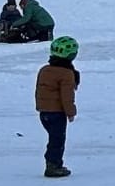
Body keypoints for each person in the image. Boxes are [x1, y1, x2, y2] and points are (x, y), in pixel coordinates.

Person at [34, 36, 80, 178]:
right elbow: (67, 96)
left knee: (54, 138)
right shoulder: (67, 73)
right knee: (57, 140)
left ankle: (54, 163)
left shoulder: (44, 70)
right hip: (57, 113)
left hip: (44, 113)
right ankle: (53, 166)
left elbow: (39, 90)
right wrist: (71, 112)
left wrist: (40, 107)